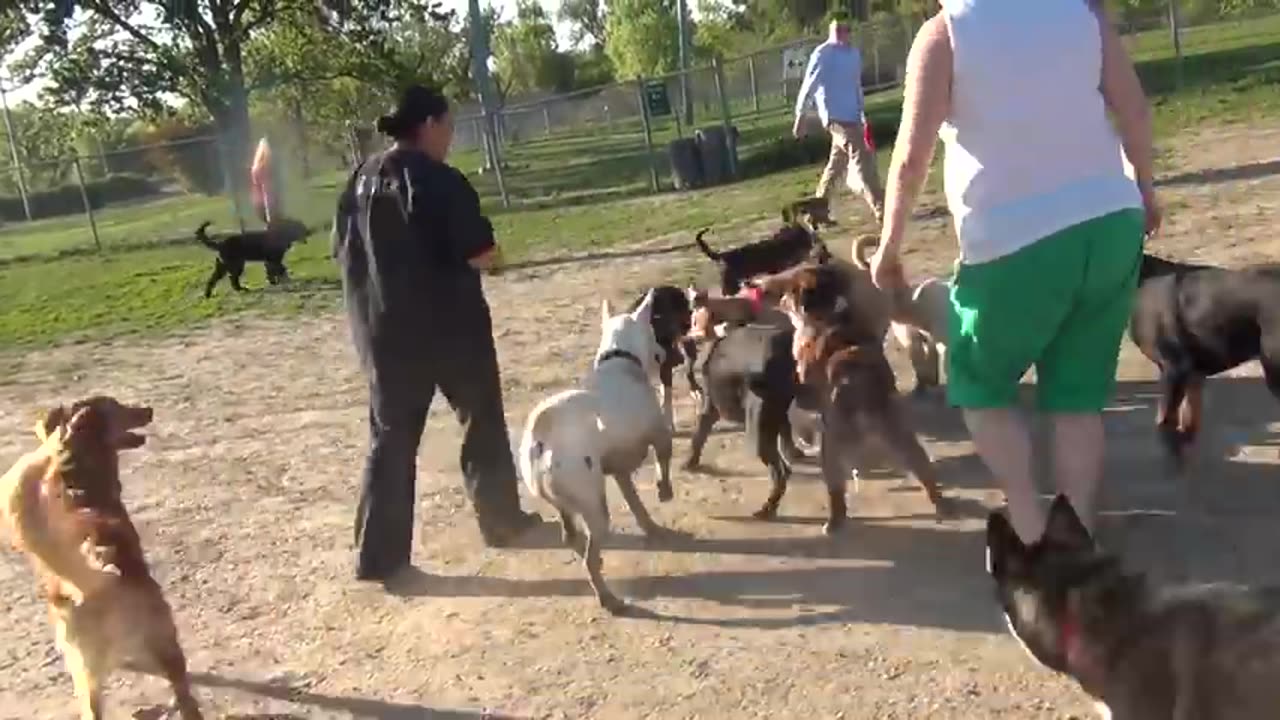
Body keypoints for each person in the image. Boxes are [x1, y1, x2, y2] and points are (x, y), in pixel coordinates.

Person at [867, 0, 1161, 543]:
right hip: (1110, 222)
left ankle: (1029, 526)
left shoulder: (945, 35)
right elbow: (1135, 111)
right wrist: (1145, 188)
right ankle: (1077, 541)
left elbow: (911, 157)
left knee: (981, 384)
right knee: (1076, 400)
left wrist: (888, 249)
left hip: (1014, 238)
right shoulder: (1083, 15)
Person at [331, 85, 541, 582]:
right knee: (481, 421)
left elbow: (342, 250)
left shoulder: (359, 179)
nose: (450, 134)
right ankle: (501, 521)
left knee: (391, 438)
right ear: (428, 125)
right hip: (450, 329)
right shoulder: (439, 179)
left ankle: (379, 558)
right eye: (448, 124)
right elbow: (480, 252)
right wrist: (499, 260)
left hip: (382, 331)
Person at [792, 9, 885, 225]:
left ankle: (817, 211)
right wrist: (801, 115)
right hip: (835, 117)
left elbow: (855, 85)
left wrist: (862, 113)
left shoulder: (853, 54)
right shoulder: (822, 53)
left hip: (852, 116)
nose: (842, 32)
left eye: (846, 28)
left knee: (837, 165)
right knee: (862, 155)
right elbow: (810, 85)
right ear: (831, 29)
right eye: (838, 28)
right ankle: (881, 207)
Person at [249, 136, 280, 225]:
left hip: (258, 203)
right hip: (266, 205)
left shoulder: (256, 167)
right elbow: (266, 192)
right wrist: (270, 216)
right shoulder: (264, 168)